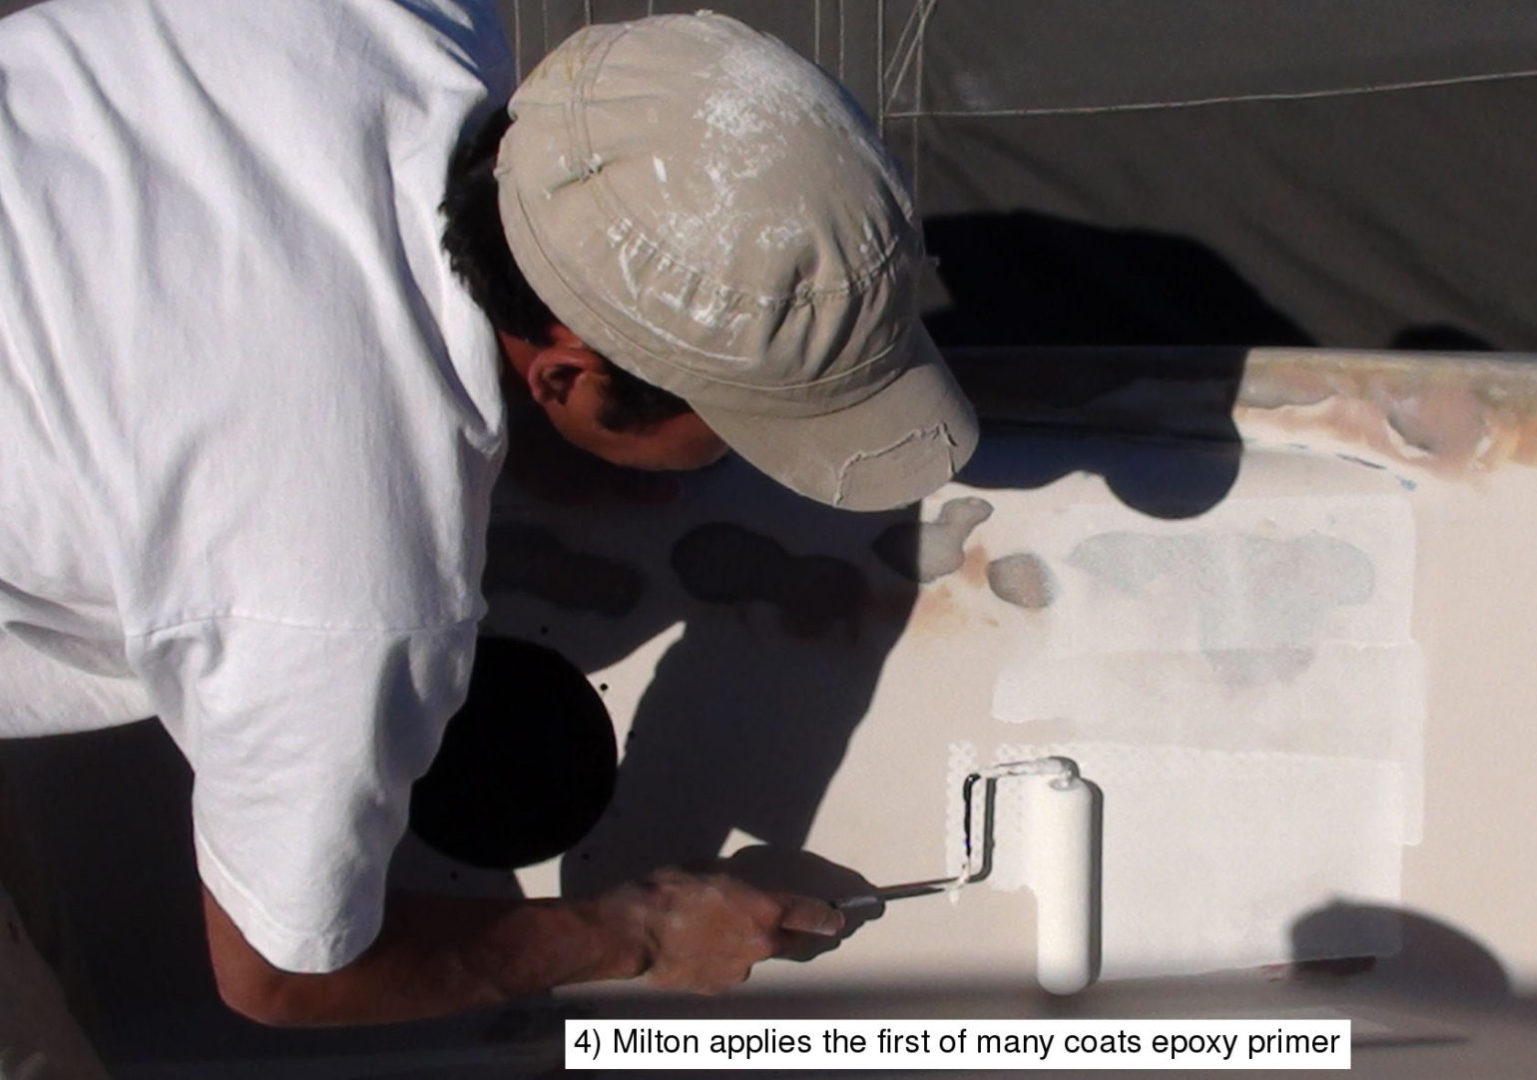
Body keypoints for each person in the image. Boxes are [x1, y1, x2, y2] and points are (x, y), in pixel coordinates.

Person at [0, 0, 977, 1050]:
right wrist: (637, 934)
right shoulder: (341, 593)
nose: (741, 463)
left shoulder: (394, 18)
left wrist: (548, 441)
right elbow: (281, 975)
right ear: (564, 375)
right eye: (741, 427)